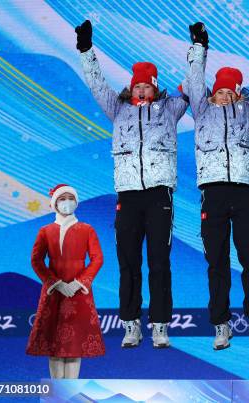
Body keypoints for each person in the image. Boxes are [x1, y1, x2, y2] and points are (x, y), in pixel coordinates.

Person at [75, 20, 189, 348]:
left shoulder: (170, 109)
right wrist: (86, 50)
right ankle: (130, 325)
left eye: (147, 86)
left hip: (158, 195)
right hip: (128, 195)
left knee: (158, 261)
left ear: (155, 88)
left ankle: (160, 325)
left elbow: (193, 87)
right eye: (137, 86)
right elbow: (96, 84)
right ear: (131, 87)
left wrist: (197, 51)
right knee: (128, 262)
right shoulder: (118, 109)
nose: (141, 91)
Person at [186, 22, 249, 350]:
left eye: (230, 91)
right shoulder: (201, 108)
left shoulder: (247, 110)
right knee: (217, 261)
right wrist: (200, 47)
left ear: (238, 93)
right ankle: (221, 325)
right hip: (213, 193)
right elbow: (194, 79)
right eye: (220, 90)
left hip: (242, 191)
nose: (223, 95)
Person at [26, 184, 105, 379]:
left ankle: (70, 394)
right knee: (54, 347)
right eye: (62, 199)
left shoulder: (87, 229)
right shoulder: (45, 231)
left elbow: (97, 258)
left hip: (79, 293)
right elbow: (36, 260)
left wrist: (79, 283)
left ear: (76, 202)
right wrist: (55, 283)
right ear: (54, 204)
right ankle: (57, 396)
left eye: (70, 198)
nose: (66, 203)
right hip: (54, 293)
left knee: (74, 348)